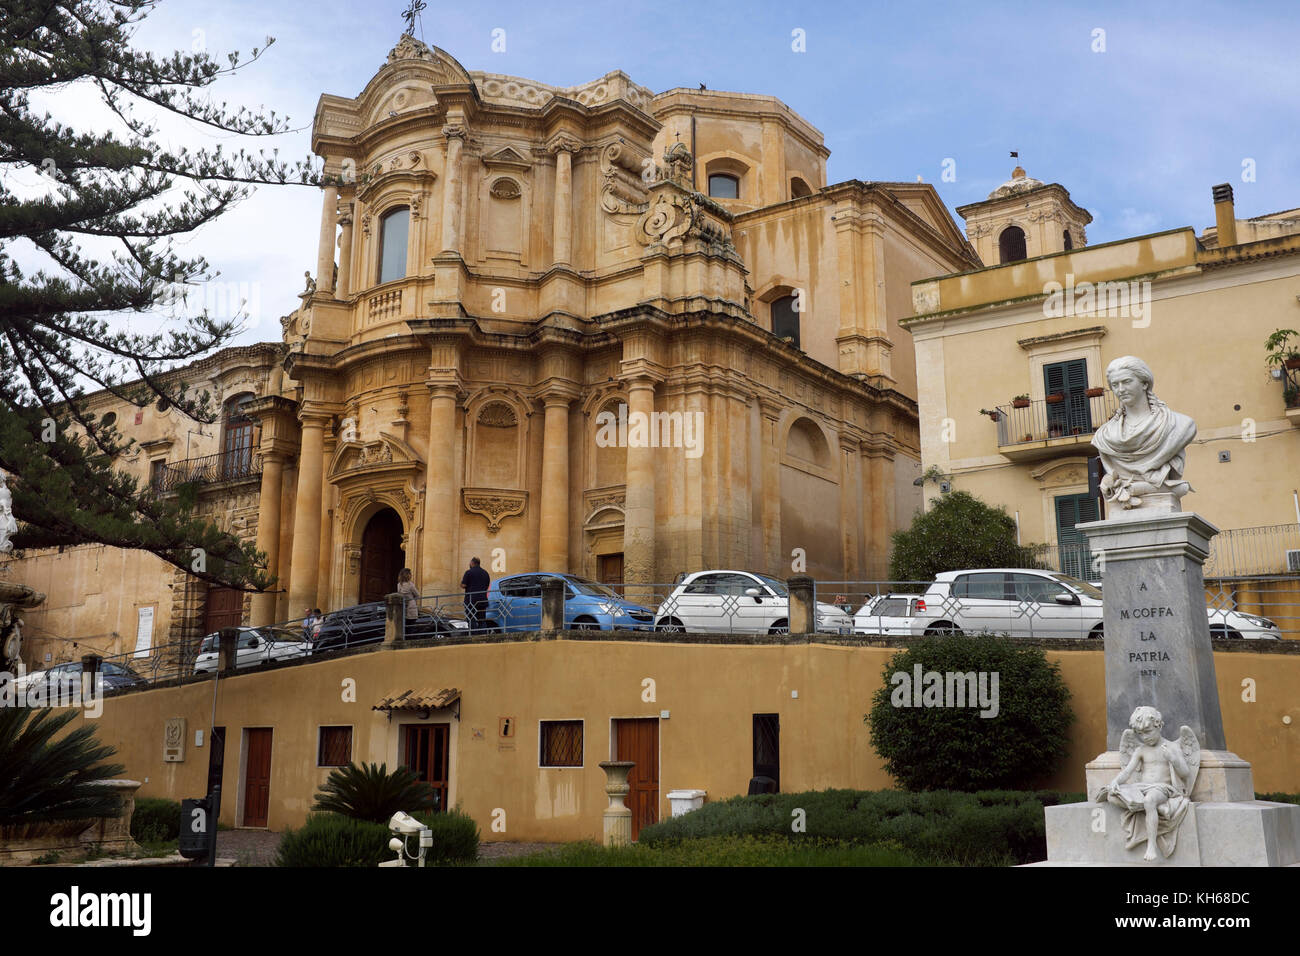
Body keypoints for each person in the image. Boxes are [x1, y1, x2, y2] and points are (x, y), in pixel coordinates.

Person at [1091, 355, 1196, 511]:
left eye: (1126, 382)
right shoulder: (1104, 436)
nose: (1120, 389)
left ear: (1145, 383)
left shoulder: (1180, 425)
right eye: (1115, 384)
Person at [461, 557, 491, 632]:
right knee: (482, 620)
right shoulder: (485, 573)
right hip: (482, 600)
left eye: (470, 563)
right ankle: (483, 635)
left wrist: (461, 584)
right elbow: (487, 586)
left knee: (471, 619)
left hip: (471, 601)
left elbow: (463, 585)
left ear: (472, 563)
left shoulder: (469, 572)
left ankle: (474, 636)